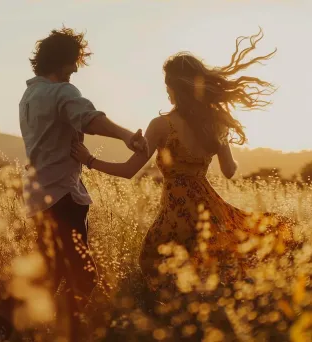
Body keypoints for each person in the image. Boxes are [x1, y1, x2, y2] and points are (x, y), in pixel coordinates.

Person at [71, 29, 296, 297]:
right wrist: (222, 142)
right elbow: (229, 170)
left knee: (154, 262)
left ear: (173, 87)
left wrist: (90, 160)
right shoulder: (214, 124)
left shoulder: (161, 125)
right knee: (208, 274)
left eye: (167, 85)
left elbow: (129, 171)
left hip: (176, 215)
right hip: (207, 212)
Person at [19, 26, 148, 341]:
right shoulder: (62, 92)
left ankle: (34, 328)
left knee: (52, 273)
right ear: (62, 61)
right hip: (63, 196)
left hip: (38, 197)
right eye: (73, 62)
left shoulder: (28, 95)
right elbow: (90, 118)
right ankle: (66, 331)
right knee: (83, 276)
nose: (76, 69)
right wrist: (126, 135)